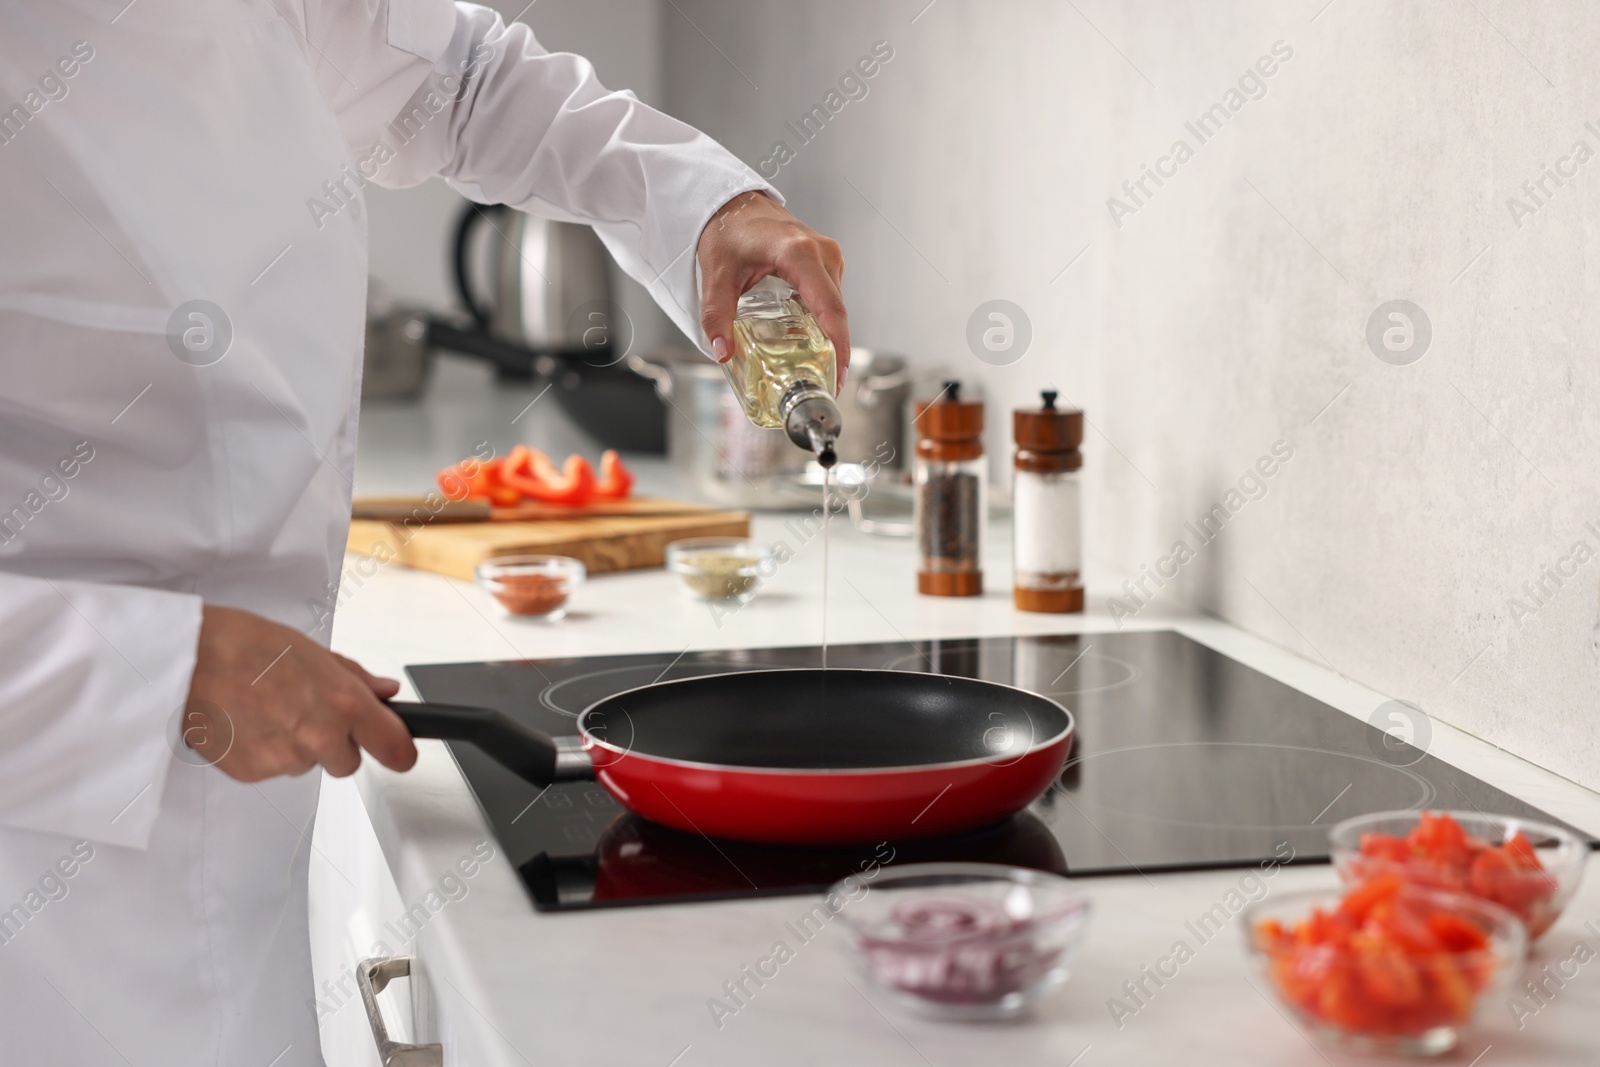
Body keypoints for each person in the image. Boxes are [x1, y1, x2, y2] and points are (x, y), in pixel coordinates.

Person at [0, 2, 847, 1063]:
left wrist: (705, 202)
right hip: (45, 874)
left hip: (235, 819)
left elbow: (465, 79)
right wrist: (155, 670)